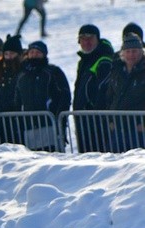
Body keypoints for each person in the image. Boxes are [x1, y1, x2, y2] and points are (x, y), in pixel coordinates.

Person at [14, 40, 71, 151]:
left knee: (52, 156)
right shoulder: (22, 75)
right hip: (28, 126)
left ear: (44, 54)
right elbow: (17, 99)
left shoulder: (53, 72)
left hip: (50, 124)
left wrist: (59, 120)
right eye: (32, 52)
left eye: (38, 52)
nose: (34, 55)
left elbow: (64, 96)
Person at [73, 24, 114, 153]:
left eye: (90, 38)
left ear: (98, 39)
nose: (86, 42)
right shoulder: (84, 61)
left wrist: (94, 110)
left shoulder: (104, 61)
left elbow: (104, 91)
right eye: (83, 39)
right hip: (83, 120)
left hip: (97, 122)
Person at [105, 33, 145, 152]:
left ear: (141, 52)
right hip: (118, 129)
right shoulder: (116, 70)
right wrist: (110, 120)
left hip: (139, 130)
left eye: (134, 51)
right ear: (123, 53)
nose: (131, 55)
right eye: (128, 51)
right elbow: (109, 97)